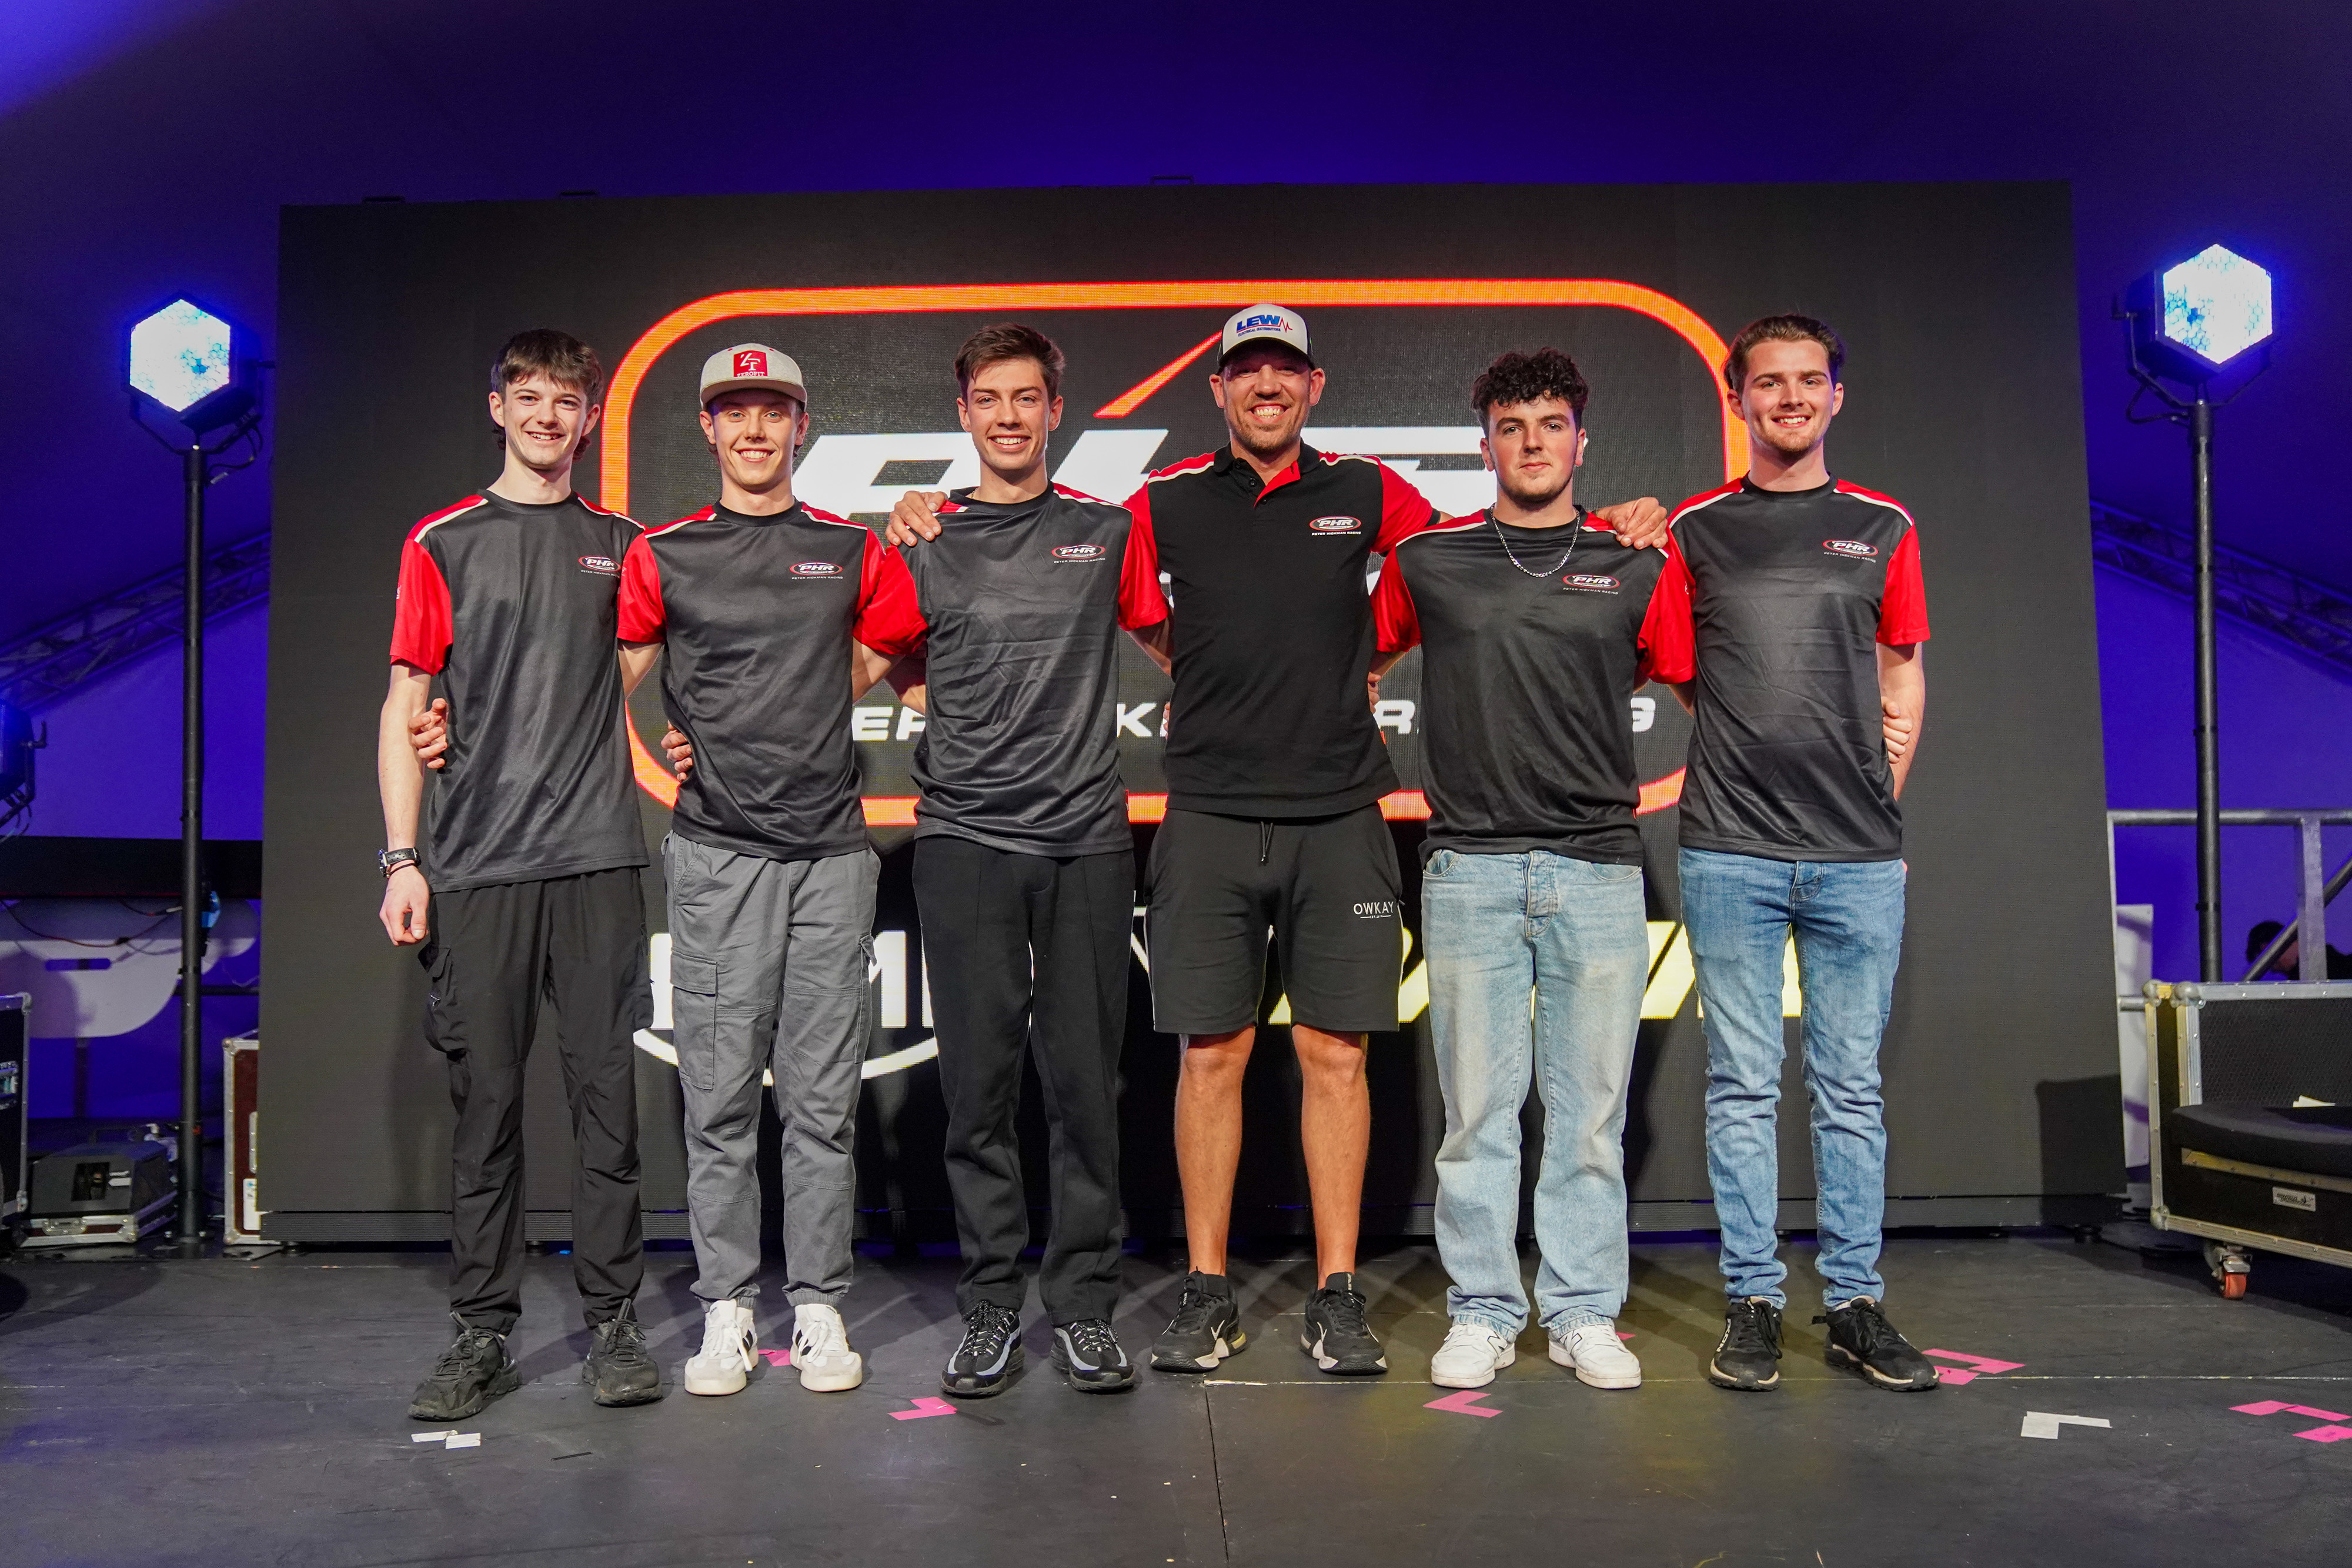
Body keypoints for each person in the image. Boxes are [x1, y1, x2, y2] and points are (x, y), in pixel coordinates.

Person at [891, 305, 1669, 1378]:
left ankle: (1337, 1294)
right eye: (1247, 371)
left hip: (1341, 814)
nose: (1267, 386)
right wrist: (924, 513)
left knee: (1335, 1057)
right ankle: (1207, 1291)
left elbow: (1487, 549)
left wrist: (1621, 517)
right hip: (1208, 813)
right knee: (1210, 1057)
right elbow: (1102, 595)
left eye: (1285, 371)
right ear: (1218, 389)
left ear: (1314, 387)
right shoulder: (1159, 504)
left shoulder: (1371, 492)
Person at [1369, 349, 1692, 1392]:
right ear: (1486, 447)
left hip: (1600, 868)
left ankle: (1584, 1310)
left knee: (1591, 1116)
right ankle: (1482, 1309)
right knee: (1477, 1117)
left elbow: (1698, 683)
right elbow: (1353, 662)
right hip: (1468, 868)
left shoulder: (1636, 559)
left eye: (1552, 425)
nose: (1532, 444)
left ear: (1581, 441)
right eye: (1512, 428)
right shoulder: (1429, 559)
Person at [612, 345, 925, 1397]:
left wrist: (796, 702)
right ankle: (729, 1311)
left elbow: (889, 658)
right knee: (718, 1106)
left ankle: (820, 1307)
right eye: (734, 412)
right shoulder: (666, 553)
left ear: (801, 424)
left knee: (823, 1103)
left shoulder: (848, 549)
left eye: (773, 411)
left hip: (830, 858)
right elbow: (601, 682)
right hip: (716, 858)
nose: (753, 430)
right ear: (708, 428)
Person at [380, 329, 663, 1420]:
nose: (548, 416)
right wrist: (403, 859)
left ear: (590, 418)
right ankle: (482, 1332)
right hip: (478, 867)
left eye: (566, 400)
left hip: (596, 861)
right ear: (497, 405)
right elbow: (406, 707)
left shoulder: (624, 543)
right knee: (486, 1110)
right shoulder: (443, 541)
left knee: (606, 1107)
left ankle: (615, 1323)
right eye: (529, 396)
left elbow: (627, 667)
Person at [1658, 313, 1935, 1393]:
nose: (1789, 398)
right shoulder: (1696, 531)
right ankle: (1754, 1305)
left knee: (1849, 1089)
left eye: (1808, 380)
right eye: (1768, 383)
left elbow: (1902, 675)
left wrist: (1876, 792)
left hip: (1858, 858)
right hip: (1731, 849)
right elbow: (1693, 677)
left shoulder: (1884, 526)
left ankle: (1856, 1303)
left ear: (1835, 396)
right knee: (1741, 1084)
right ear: (1739, 401)